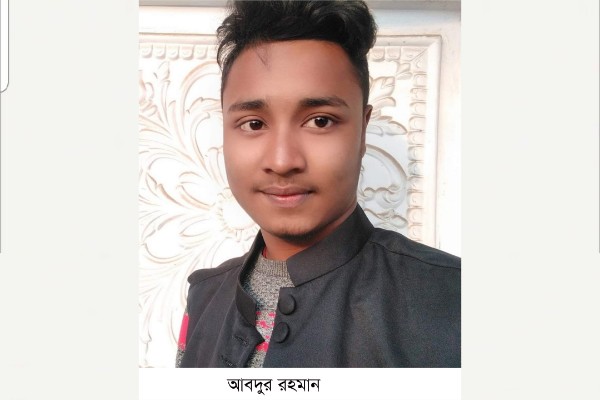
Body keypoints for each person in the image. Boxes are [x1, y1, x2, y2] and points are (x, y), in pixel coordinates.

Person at [176, 0, 460, 368]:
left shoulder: (453, 299)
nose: (282, 161)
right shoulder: (203, 296)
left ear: (363, 131)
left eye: (320, 121)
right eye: (254, 124)